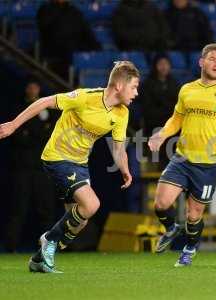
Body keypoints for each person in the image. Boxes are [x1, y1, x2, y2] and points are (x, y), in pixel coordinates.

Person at [0, 61, 139, 273]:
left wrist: (125, 169)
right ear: (119, 85)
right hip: (57, 157)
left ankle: (39, 260)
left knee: (79, 222)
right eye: (134, 87)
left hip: (80, 163)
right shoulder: (85, 97)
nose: (136, 93)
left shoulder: (121, 113)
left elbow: (119, 149)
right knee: (92, 204)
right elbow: (44, 102)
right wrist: (13, 125)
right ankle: (49, 239)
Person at [148, 43, 216, 267]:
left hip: (208, 165)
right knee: (161, 203)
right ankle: (170, 228)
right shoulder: (187, 89)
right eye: (213, 59)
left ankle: (189, 248)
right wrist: (162, 134)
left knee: (193, 215)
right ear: (201, 62)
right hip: (182, 158)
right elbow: (176, 120)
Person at [4, 81, 56, 252]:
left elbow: (50, 136)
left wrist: (31, 132)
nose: (33, 89)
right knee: (18, 209)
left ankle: (46, 249)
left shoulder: (47, 110)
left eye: (36, 86)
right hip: (22, 169)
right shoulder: (18, 109)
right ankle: (11, 247)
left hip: (42, 169)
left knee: (46, 210)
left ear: (39, 88)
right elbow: (19, 137)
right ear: (26, 88)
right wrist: (37, 132)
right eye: (30, 86)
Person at [36, 0, 101, 79]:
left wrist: (97, 47)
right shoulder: (45, 10)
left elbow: (86, 32)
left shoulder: (74, 11)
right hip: (55, 52)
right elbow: (44, 31)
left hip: (74, 50)